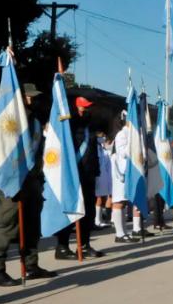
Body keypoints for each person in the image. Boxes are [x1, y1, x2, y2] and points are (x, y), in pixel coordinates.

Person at [0, 83, 56, 286]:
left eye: (34, 96)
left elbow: (38, 151)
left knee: (32, 225)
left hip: (31, 182)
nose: (32, 100)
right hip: (11, 181)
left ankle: (31, 265)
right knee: (5, 225)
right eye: (28, 97)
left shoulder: (34, 121)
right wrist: (7, 169)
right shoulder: (7, 120)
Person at [54, 96, 104, 259]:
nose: (86, 109)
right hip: (73, 172)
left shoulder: (90, 125)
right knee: (70, 210)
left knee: (88, 211)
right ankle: (62, 247)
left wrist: (96, 170)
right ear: (76, 107)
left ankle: (84, 245)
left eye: (88, 106)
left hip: (88, 172)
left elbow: (93, 150)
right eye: (83, 107)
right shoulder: (69, 124)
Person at [111, 111, 140, 243]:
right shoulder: (122, 134)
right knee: (119, 201)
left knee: (124, 202)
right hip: (121, 172)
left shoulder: (132, 134)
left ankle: (124, 232)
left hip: (129, 171)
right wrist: (133, 146)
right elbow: (122, 153)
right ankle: (119, 233)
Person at [94, 131, 112, 228]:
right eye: (102, 136)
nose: (104, 137)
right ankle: (97, 220)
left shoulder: (101, 146)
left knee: (103, 198)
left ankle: (100, 219)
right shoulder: (96, 147)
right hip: (99, 176)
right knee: (99, 198)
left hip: (104, 176)